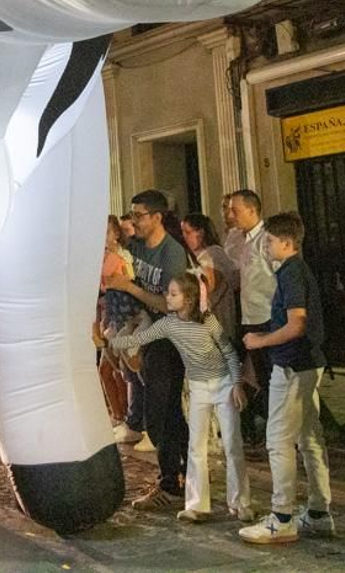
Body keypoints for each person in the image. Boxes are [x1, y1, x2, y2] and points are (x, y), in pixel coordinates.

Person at [106, 272, 250, 523]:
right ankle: (196, 504)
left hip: (222, 384)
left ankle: (241, 503)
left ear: (189, 299)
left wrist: (237, 384)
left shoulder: (208, 321)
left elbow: (228, 351)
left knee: (232, 444)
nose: (167, 298)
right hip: (198, 387)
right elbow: (139, 338)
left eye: (173, 294)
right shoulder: (168, 324)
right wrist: (109, 340)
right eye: (168, 293)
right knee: (195, 447)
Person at [239, 212, 333, 546]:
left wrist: (261, 341)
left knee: (279, 439)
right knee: (309, 437)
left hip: (293, 364)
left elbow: (297, 323)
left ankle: (281, 518)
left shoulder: (292, 272)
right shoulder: (294, 271)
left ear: (287, 242)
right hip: (305, 362)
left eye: (269, 242)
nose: (266, 247)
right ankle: (319, 512)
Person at [105, 189, 190, 510]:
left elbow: (170, 305)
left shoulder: (172, 254)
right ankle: (180, 477)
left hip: (170, 338)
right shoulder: (137, 248)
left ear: (157, 217)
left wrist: (129, 287)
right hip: (147, 333)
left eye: (139, 215)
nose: (134, 221)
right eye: (132, 215)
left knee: (160, 413)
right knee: (166, 414)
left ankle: (173, 482)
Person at [222, 189, 277, 436]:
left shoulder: (266, 240)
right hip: (249, 318)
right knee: (261, 378)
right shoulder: (238, 240)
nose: (231, 215)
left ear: (252, 210)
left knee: (276, 378)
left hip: (269, 317)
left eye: (236, 210)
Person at [97, 215, 141, 432]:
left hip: (122, 313)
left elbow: (106, 280)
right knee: (110, 368)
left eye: (106, 232)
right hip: (112, 313)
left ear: (115, 233)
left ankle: (125, 416)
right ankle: (120, 414)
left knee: (119, 368)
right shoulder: (109, 255)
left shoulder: (118, 256)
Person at [181, 213, 238, 343]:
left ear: (200, 233)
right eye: (182, 232)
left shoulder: (213, 254)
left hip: (217, 320)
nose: (184, 236)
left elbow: (210, 285)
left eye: (188, 232)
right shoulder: (194, 256)